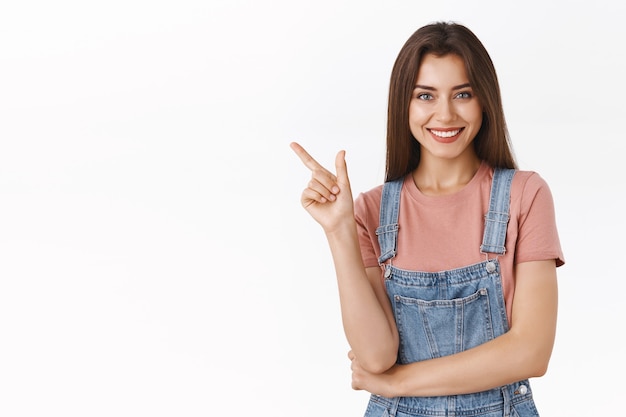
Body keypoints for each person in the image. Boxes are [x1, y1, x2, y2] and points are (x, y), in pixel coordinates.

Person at [290, 21, 564, 416]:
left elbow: (531, 352)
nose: (445, 114)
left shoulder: (525, 195)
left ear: (484, 100)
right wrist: (338, 231)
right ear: (404, 104)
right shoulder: (370, 211)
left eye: (462, 94)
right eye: (425, 96)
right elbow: (376, 356)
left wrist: (399, 383)